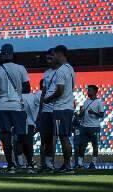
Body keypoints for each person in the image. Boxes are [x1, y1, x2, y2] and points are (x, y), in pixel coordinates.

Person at [0, 43, 30, 174]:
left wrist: (1, 92)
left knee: (6, 138)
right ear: (12, 54)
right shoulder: (21, 68)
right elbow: (27, 89)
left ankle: (11, 165)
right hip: (17, 106)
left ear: (2, 55)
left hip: (3, 106)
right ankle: (29, 164)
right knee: (23, 137)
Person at [43, 45, 76, 174]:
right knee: (65, 136)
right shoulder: (70, 69)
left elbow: (60, 90)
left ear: (61, 55)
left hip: (60, 108)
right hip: (68, 107)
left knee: (63, 138)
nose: (53, 57)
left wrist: (48, 99)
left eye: (55, 54)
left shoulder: (61, 70)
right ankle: (67, 165)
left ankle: (68, 166)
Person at [38, 48, 59, 172]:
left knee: (56, 138)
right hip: (46, 110)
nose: (48, 61)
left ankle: (55, 163)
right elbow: (43, 92)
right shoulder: (46, 73)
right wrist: (40, 111)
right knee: (46, 138)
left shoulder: (63, 71)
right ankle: (47, 164)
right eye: (47, 59)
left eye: (50, 58)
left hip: (57, 109)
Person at [76, 85, 104, 170]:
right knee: (81, 145)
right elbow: (81, 115)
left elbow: (102, 115)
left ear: (95, 92)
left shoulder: (99, 102)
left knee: (94, 145)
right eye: (88, 90)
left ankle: (93, 163)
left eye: (90, 90)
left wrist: (94, 112)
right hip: (84, 126)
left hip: (94, 127)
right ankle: (80, 164)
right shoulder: (86, 102)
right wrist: (78, 114)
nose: (88, 92)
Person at [21, 87, 41, 173]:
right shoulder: (34, 96)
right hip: (31, 123)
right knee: (27, 143)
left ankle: (26, 162)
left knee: (22, 143)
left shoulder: (20, 96)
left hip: (23, 123)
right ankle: (30, 161)